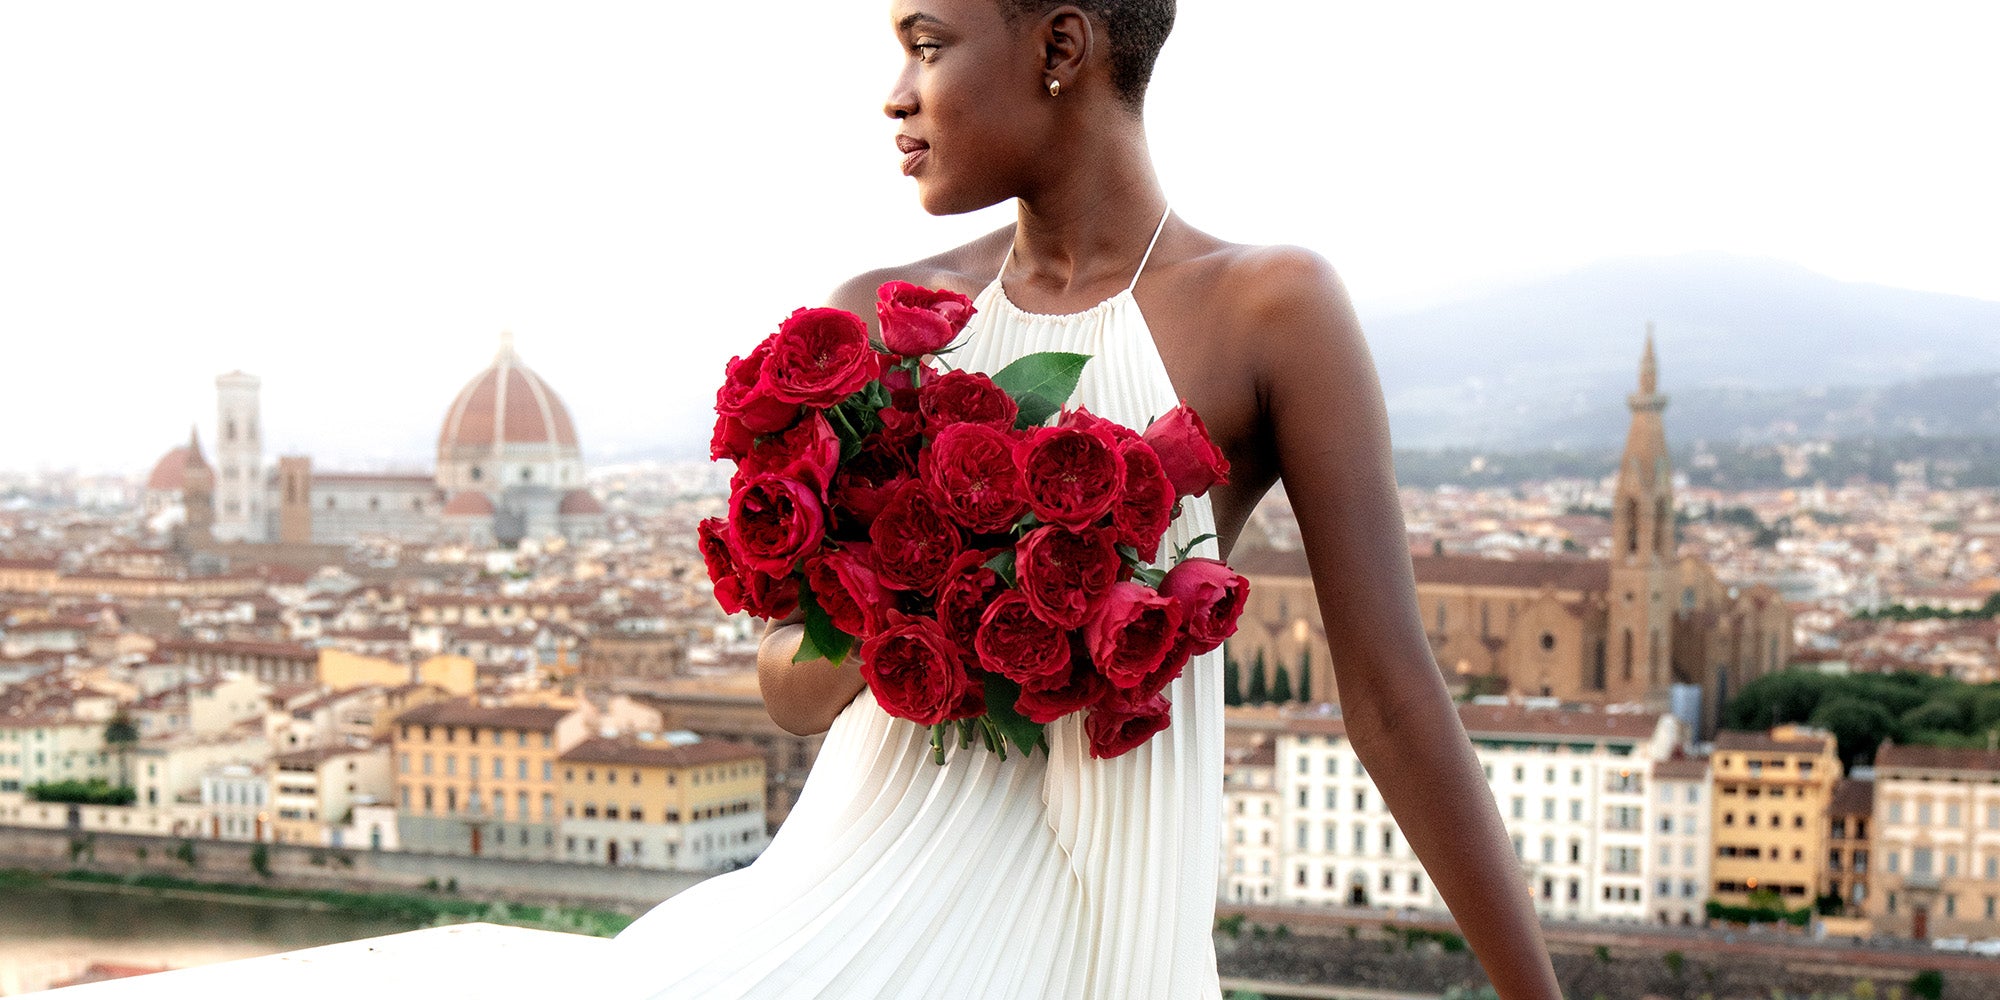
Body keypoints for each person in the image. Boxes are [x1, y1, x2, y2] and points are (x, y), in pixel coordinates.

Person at [611, 2, 1562, 997]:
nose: (895, 95)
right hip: (849, 911)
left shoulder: (1268, 310)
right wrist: (925, 595)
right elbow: (786, 688)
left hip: (1105, 936)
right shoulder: (875, 319)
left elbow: (1393, 703)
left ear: (1059, 48)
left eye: (926, 46)